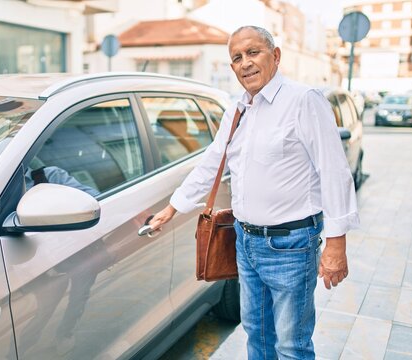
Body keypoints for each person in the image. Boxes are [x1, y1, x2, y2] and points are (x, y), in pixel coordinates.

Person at [149, 25, 359, 359]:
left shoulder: (304, 100)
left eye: (253, 52)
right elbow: (213, 160)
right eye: (236, 57)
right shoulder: (237, 109)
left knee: (292, 345)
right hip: (244, 242)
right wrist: (174, 206)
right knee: (257, 336)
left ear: (275, 55)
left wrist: (336, 244)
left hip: (290, 245)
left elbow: (334, 171)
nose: (245, 63)